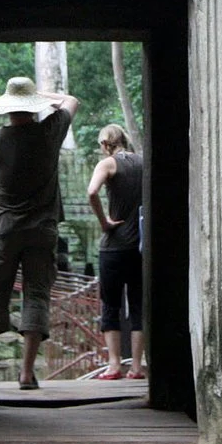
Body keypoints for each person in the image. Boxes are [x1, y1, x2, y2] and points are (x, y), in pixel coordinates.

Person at [0, 76, 80, 391]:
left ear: (6, 108)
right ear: (33, 107)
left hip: (5, 229)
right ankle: (27, 374)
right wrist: (42, 95)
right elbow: (71, 101)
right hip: (42, 229)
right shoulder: (48, 134)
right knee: (37, 295)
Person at [85, 124, 145, 381]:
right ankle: (137, 367)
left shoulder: (107, 164)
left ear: (104, 144)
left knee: (111, 305)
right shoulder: (144, 163)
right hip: (140, 247)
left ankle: (113, 365)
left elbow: (92, 191)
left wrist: (104, 221)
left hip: (113, 247)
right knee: (139, 305)